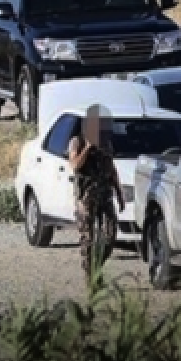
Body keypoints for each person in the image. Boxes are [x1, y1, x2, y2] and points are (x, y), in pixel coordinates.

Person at [68, 106, 125, 276]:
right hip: (86, 196)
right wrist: (87, 148)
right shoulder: (77, 142)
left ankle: (96, 266)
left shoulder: (106, 143)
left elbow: (111, 168)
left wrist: (119, 193)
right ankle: (90, 276)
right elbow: (75, 165)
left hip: (105, 194)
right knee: (88, 239)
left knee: (110, 235)